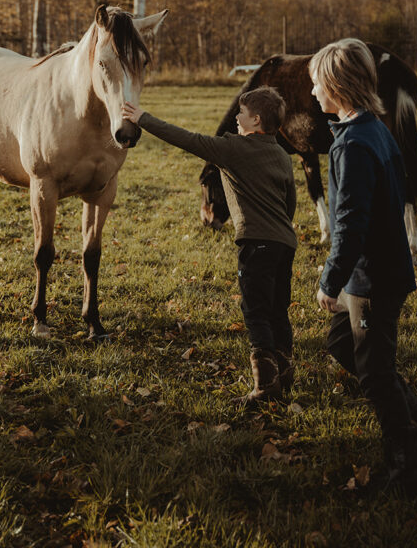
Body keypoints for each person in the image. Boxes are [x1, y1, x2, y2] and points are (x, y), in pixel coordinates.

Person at [309, 37, 417, 492]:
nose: (311, 94)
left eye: (316, 85)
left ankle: (407, 461)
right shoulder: (372, 129)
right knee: (343, 346)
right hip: (384, 272)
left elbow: (349, 226)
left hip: (373, 280)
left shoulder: (353, 146)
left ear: (337, 87)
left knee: (374, 373)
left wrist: (331, 281)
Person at [122, 86, 297, 403]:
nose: (236, 119)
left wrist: (142, 118)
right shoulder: (282, 155)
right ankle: (285, 373)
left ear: (255, 120)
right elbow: (290, 203)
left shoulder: (232, 149)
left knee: (255, 312)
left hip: (255, 244)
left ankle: (266, 386)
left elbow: (186, 139)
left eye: (240, 114)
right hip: (285, 245)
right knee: (277, 309)